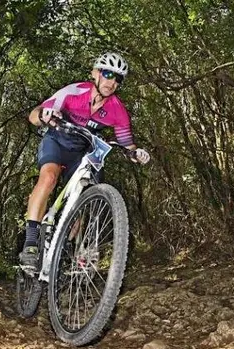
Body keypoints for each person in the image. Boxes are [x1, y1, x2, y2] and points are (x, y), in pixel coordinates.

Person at [19, 52, 150, 271]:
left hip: (82, 153)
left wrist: (136, 154)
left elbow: (128, 143)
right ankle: (31, 243)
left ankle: (65, 248)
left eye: (118, 78)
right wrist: (43, 115)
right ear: (95, 73)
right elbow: (34, 115)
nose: (112, 82)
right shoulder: (73, 92)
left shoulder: (117, 109)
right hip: (57, 142)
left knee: (80, 198)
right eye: (108, 74)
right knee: (49, 176)